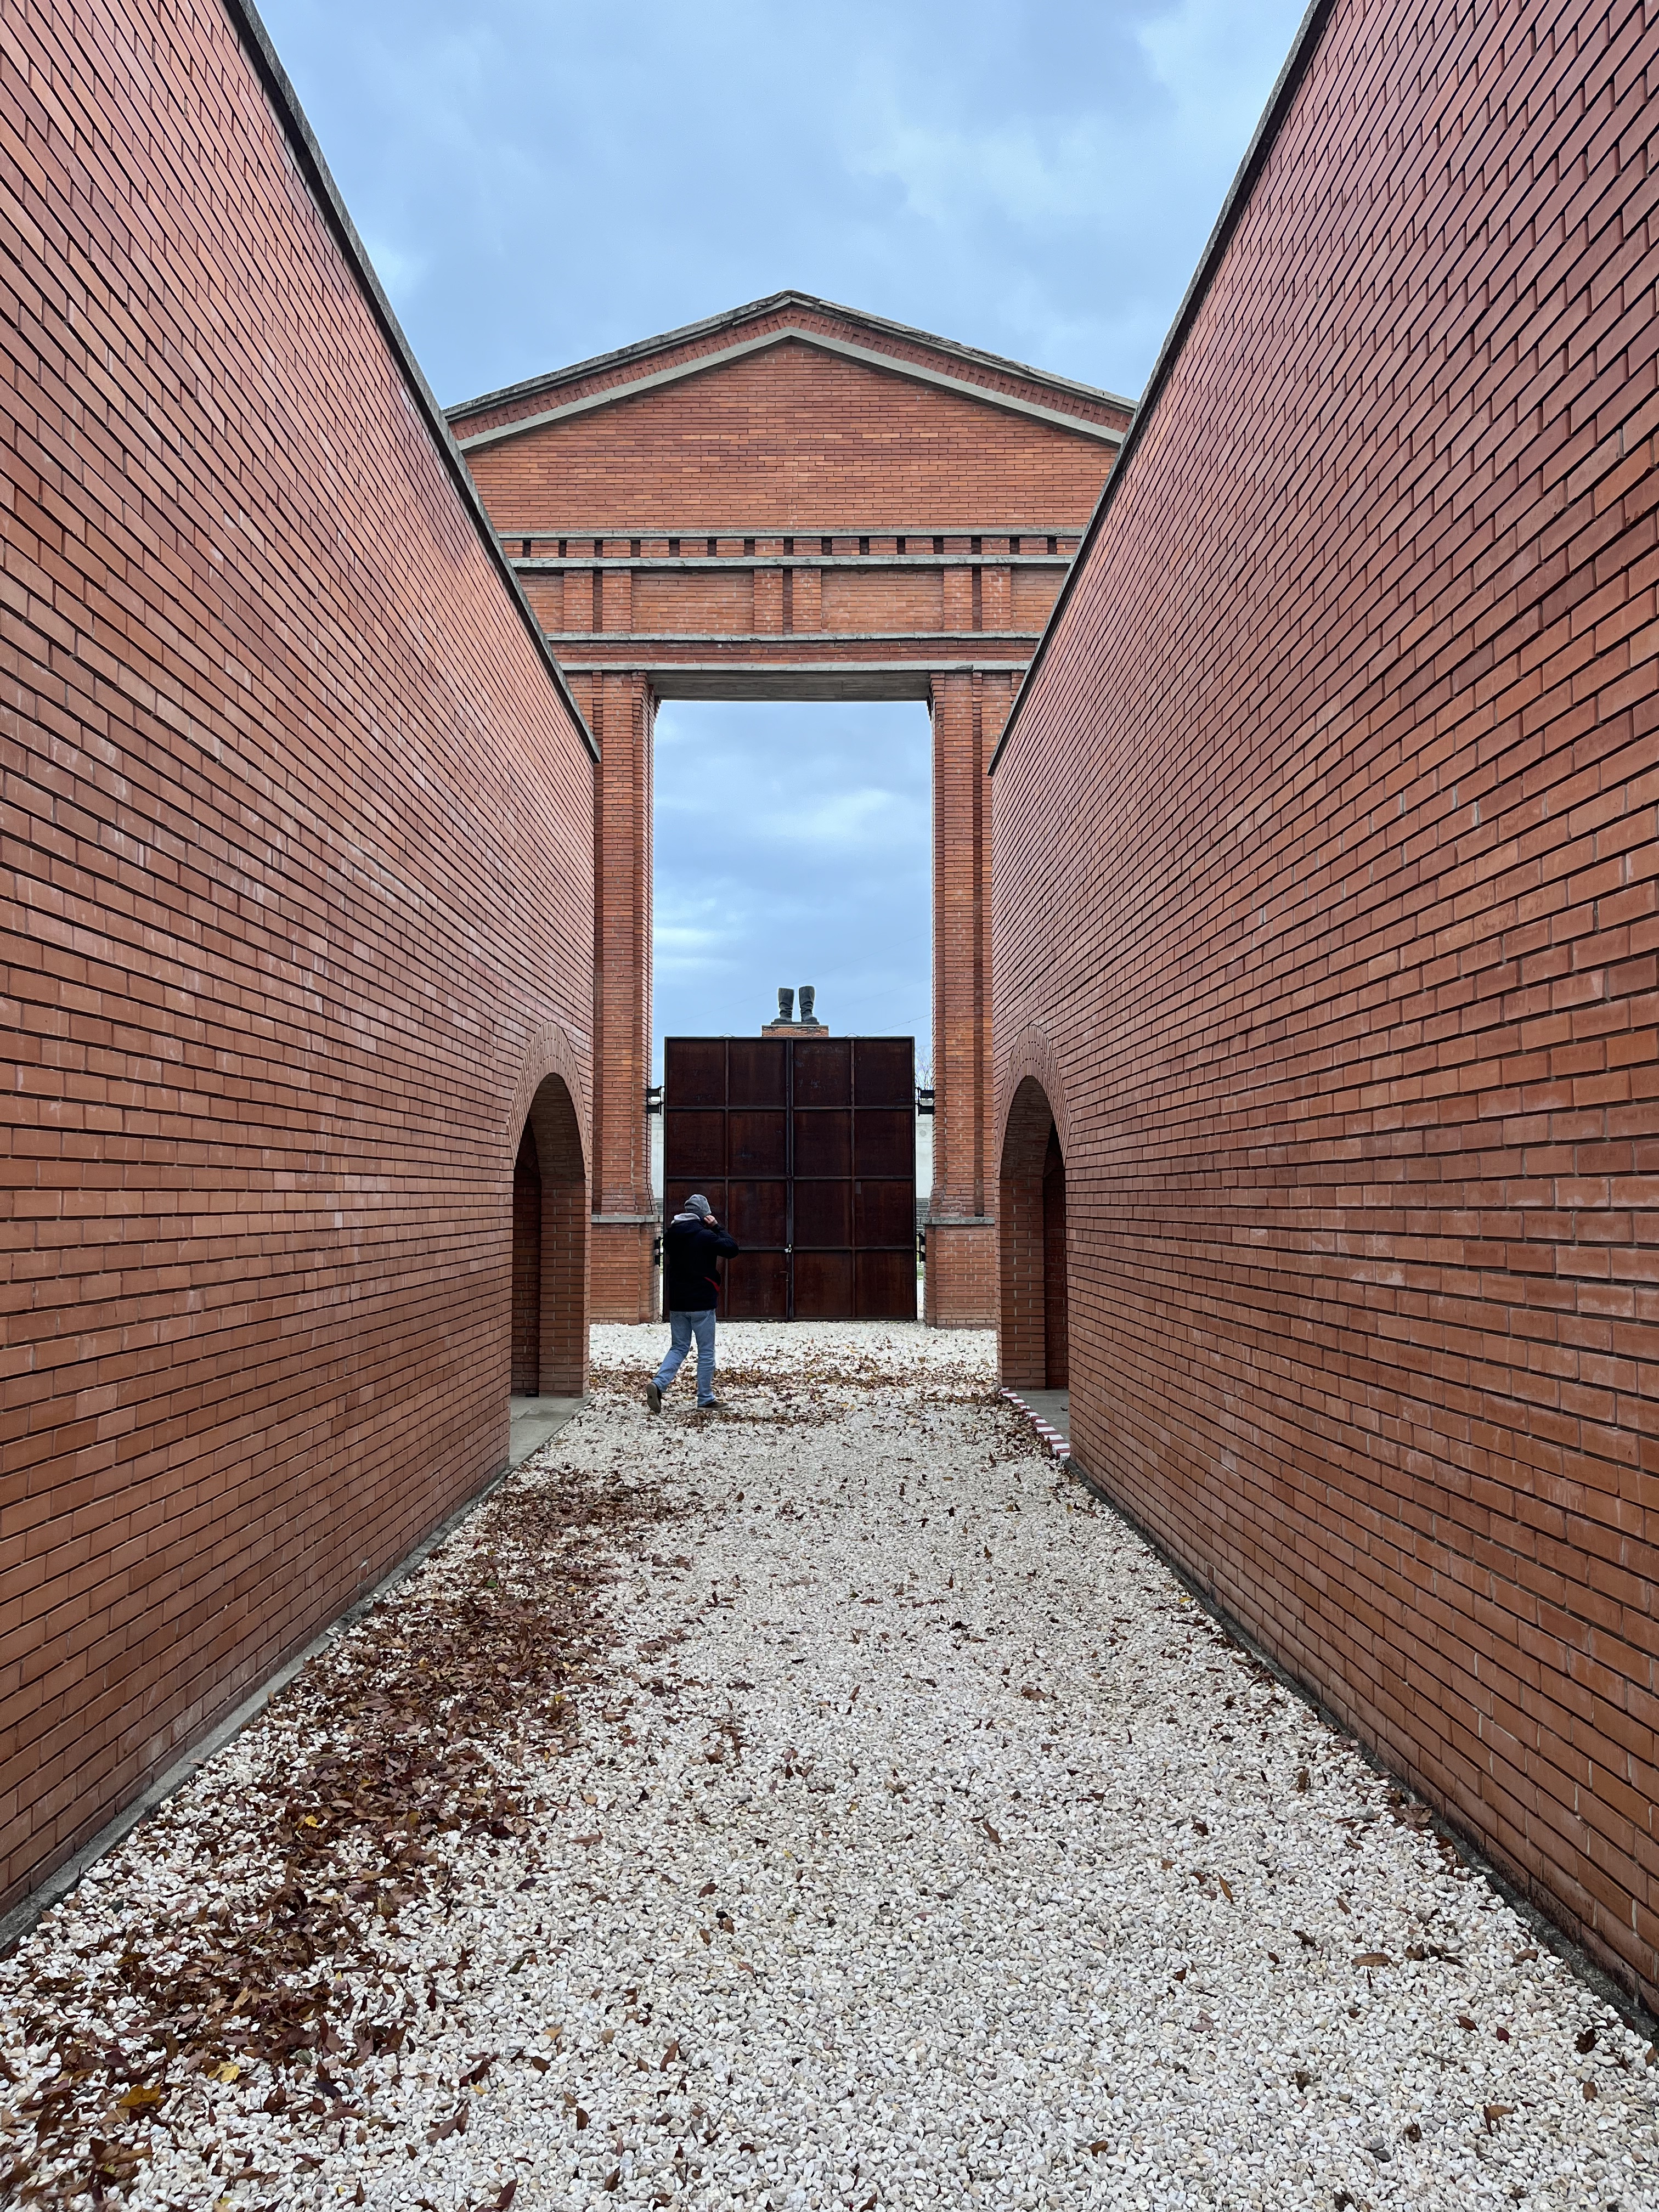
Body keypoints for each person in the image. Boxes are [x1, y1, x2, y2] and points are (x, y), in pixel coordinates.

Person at [647, 1193, 739, 1413]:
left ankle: (659, 1384)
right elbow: (732, 1249)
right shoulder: (705, 1236)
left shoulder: (671, 1236)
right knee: (706, 1352)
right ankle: (705, 1398)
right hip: (702, 1302)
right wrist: (717, 1226)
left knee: (679, 1347)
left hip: (678, 1302)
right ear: (703, 1215)